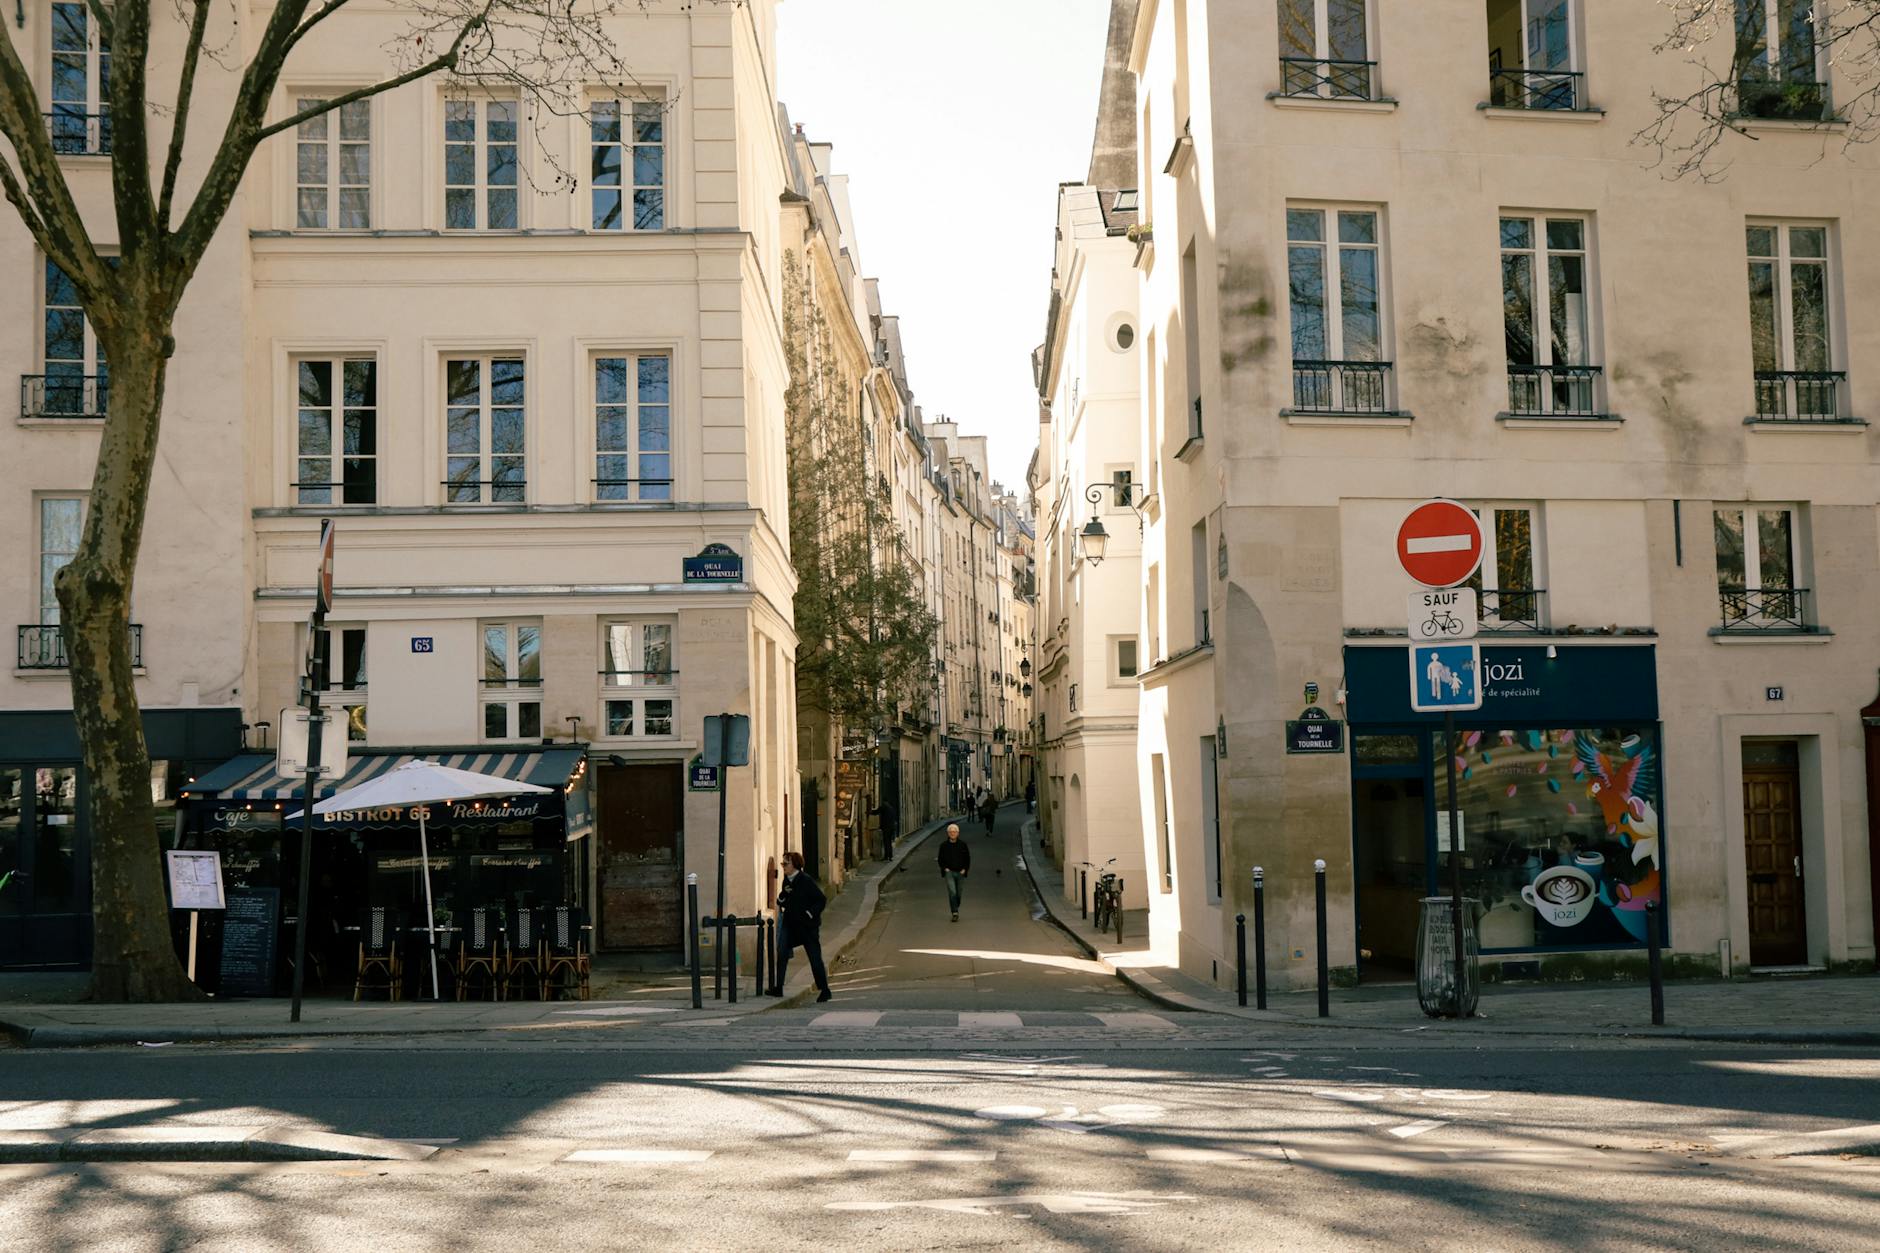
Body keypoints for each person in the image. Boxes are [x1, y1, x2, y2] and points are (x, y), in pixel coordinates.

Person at [773, 850, 831, 1002]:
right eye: (782, 863)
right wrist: (782, 897)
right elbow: (783, 900)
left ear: (795, 865)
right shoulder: (786, 880)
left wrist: (810, 914)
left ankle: (825, 990)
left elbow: (821, 900)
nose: (783, 866)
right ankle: (778, 988)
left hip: (807, 927)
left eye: (786, 863)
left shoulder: (806, 880)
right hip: (790, 924)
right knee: (782, 952)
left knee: (814, 958)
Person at [937, 823, 971, 921]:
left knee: (958, 893)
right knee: (952, 892)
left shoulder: (963, 845)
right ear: (948, 833)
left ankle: (956, 904)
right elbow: (940, 859)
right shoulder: (943, 846)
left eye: (954, 832)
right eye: (951, 832)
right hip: (949, 872)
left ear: (958, 833)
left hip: (960, 872)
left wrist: (965, 869)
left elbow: (967, 858)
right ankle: (954, 912)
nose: (952, 833)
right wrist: (945, 868)